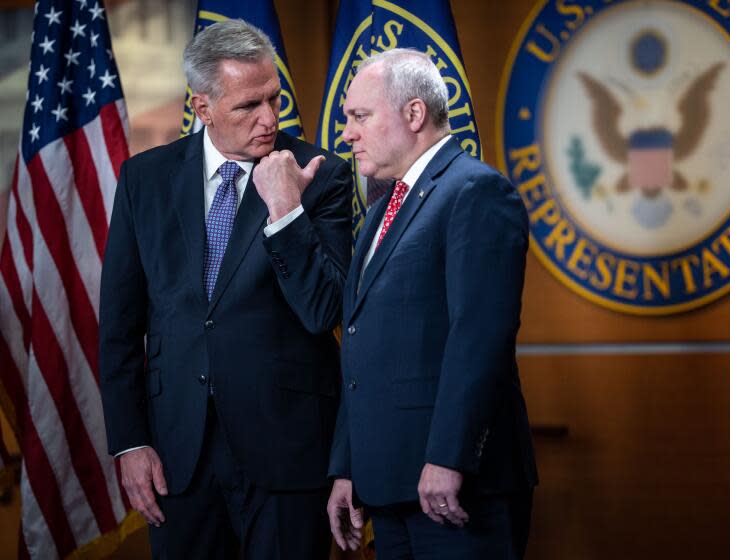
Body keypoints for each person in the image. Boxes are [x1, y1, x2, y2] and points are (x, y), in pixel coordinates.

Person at [99, 19, 352, 559]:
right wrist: (130, 441)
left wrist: (286, 209)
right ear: (202, 107)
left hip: (287, 450)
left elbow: (322, 310)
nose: (268, 119)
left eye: (273, 100)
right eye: (247, 106)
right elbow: (120, 327)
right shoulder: (144, 179)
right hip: (177, 453)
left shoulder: (319, 173)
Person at [326, 49, 538, 559]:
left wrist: (450, 457)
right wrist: (347, 465)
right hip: (388, 486)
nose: (347, 134)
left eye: (360, 116)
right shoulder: (381, 213)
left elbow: (479, 336)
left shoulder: (476, 191)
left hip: (452, 485)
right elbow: (361, 344)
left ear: (414, 114)